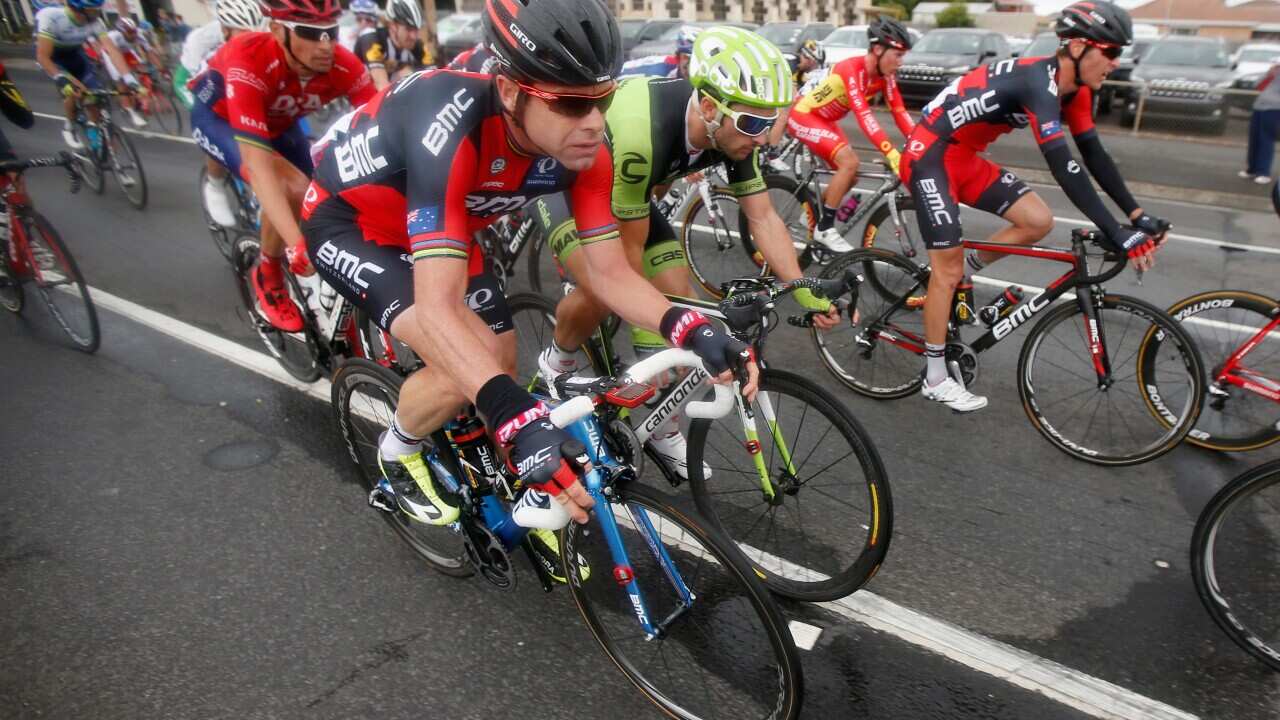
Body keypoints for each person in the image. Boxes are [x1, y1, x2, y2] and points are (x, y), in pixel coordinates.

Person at [300, 0, 757, 579]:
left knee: (502, 360)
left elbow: (611, 273)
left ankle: (502, 493)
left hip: (444, 224)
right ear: (512, 91)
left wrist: (694, 328)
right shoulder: (451, 118)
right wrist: (514, 417)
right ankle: (398, 450)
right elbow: (438, 311)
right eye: (569, 103)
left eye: (604, 98)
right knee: (461, 365)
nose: (593, 121)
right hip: (353, 225)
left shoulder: (585, 143)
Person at [534, 26, 836, 480]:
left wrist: (798, 284)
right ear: (711, 107)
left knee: (677, 288)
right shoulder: (645, 131)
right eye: (755, 124)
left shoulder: (734, 131)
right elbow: (626, 266)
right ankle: (556, 362)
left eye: (770, 122)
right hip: (567, 188)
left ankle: (660, 423)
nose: (764, 137)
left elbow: (764, 218)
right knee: (607, 289)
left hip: (628, 191)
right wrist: (669, 333)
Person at [900, 0, 1168, 412]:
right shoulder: (1037, 83)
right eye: (1111, 52)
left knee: (1037, 220)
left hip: (964, 159)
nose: (1115, 63)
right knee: (945, 268)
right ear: (1078, 48)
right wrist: (1115, 231)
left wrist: (1135, 216)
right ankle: (935, 376)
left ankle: (963, 271)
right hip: (929, 156)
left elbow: (1094, 156)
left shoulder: (1073, 90)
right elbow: (1064, 166)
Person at [189, 0, 375, 332]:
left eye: (331, 32)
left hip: (279, 122)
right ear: (277, 30)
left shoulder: (343, 64)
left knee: (329, 189)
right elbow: (260, 170)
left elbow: (382, 126)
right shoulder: (249, 59)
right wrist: (296, 244)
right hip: (221, 119)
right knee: (291, 188)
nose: (325, 46)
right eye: (309, 33)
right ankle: (268, 274)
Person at [784, 18, 915, 253]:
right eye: (897, 54)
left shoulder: (885, 77)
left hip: (825, 121)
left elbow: (899, 111)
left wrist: (919, 142)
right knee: (849, 162)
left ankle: (812, 215)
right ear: (877, 49)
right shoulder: (852, 69)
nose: (900, 61)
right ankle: (824, 228)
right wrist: (891, 153)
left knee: (850, 176)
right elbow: (864, 117)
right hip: (803, 114)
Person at [33, 0, 141, 151]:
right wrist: (60, 78)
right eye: (92, 10)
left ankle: (94, 132)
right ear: (78, 8)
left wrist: (128, 78)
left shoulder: (96, 22)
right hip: (54, 59)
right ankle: (69, 126)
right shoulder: (50, 16)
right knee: (75, 90)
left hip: (76, 55)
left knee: (93, 95)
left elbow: (111, 49)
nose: (97, 14)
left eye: (98, 9)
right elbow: (43, 56)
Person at [765, 37, 826, 162]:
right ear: (804, 56)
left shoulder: (802, 69)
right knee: (786, 113)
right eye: (811, 61)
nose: (813, 66)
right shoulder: (792, 62)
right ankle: (772, 151)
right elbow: (793, 95)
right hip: (762, 84)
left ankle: (776, 138)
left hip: (772, 84)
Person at [100, 17, 166, 127]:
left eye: (134, 31)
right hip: (110, 54)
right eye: (130, 32)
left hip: (126, 52)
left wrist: (162, 69)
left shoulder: (138, 35)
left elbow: (150, 52)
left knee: (140, 67)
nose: (133, 35)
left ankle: (139, 94)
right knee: (122, 81)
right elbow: (115, 56)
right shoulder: (113, 36)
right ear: (122, 31)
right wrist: (126, 75)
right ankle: (131, 113)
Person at [353, 0, 432, 90]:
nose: (414, 36)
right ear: (393, 26)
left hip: (390, 93)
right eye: (409, 29)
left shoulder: (417, 45)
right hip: (361, 96)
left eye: (416, 29)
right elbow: (381, 85)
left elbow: (434, 78)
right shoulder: (372, 39)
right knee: (404, 75)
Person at [1240, 62, 1279, 186]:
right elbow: (1258, 86)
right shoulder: (1272, 74)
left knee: (1266, 140)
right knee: (1254, 139)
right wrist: (1269, 74)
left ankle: (1263, 172)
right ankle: (1252, 169)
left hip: (1274, 110)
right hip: (1259, 108)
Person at [618, 24, 696, 79]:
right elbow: (622, 71)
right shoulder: (661, 68)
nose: (691, 65)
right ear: (678, 56)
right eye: (687, 56)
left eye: (696, 59)